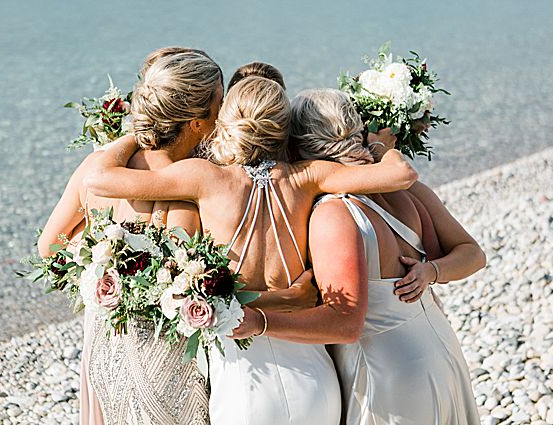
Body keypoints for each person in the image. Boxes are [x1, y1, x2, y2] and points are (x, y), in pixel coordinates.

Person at [84, 75, 418, 424]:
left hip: (243, 379)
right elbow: (400, 174)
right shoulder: (308, 177)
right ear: (283, 129)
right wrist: (380, 145)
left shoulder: (204, 178)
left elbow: (100, 178)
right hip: (314, 376)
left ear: (226, 123)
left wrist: (137, 134)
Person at [229, 88, 482, 423]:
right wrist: (431, 271)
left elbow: (346, 322)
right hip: (438, 346)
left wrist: (260, 322)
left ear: (300, 146)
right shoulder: (406, 190)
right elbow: (473, 254)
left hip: (388, 371)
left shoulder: (335, 214)